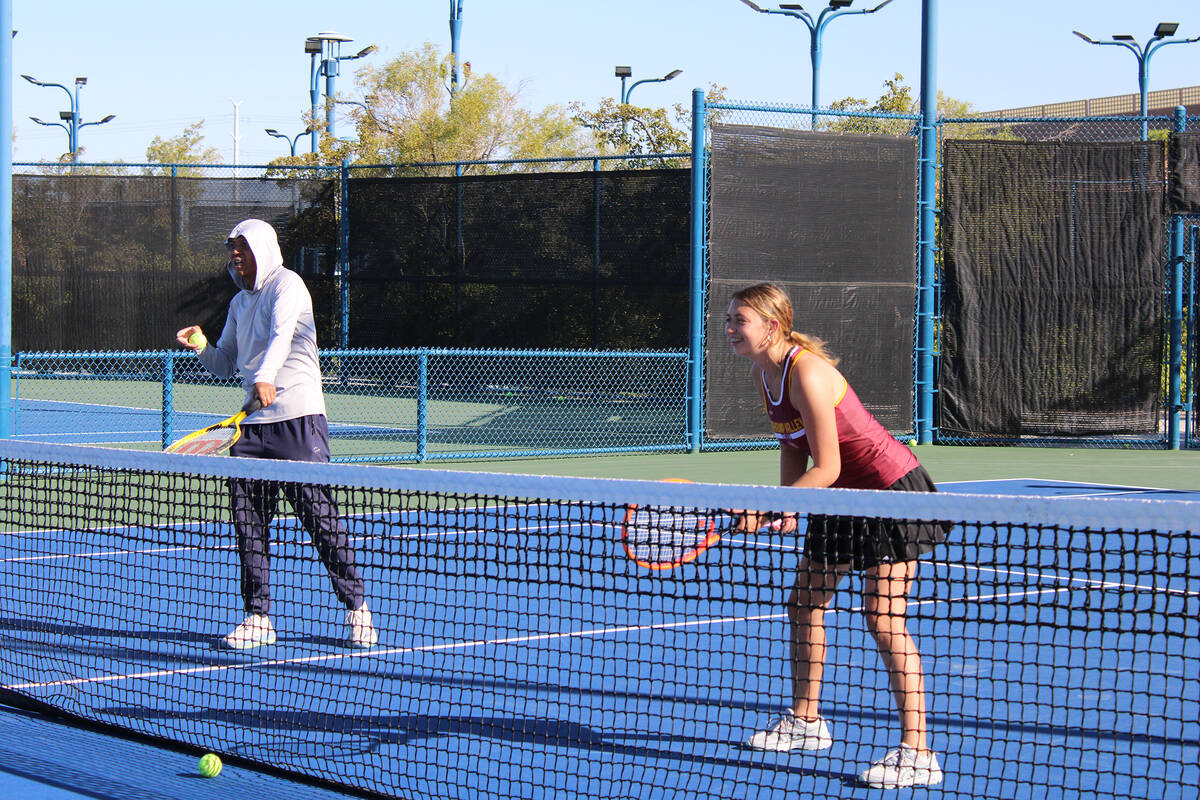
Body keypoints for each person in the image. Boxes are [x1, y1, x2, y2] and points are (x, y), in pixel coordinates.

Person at [726, 283, 945, 790]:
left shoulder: (806, 372)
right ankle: (807, 721)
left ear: (772, 326)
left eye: (740, 320)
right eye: (729, 319)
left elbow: (827, 466)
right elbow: (792, 446)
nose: (730, 328)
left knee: (883, 618)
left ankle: (918, 753)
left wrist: (770, 506)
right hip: (840, 497)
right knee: (804, 603)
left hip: (890, 494)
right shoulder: (765, 372)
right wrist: (789, 504)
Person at [175, 218, 378, 651]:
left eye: (243, 248)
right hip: (251, 430)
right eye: (232, 249)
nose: (235, 255)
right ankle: (258, 617)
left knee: (321, 521)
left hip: (298, 421)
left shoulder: (289, 286)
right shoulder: (238, 304)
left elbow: (283, 336)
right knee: (249, 527)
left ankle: (357, 609)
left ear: (262, 249)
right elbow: (225, 364)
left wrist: (266, 377)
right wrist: (202, 347)